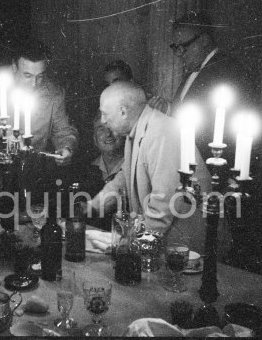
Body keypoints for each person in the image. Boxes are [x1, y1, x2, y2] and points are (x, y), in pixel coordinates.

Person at [86, 81, 212, 252]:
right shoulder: (138, 129)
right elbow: (124, 177)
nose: (103, 121)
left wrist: (130, 246)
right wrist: (93, 206)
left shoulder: (161, 132)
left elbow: (164, 202)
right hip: (171, 236)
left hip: (187, 242)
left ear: (123, 111)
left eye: (105, 114)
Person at [151, 11, 256, 161]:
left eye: (184, 46)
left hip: (210, 162)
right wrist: (168, 110)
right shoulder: (195, 68)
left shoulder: (227, 70)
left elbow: (226, 126)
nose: (179, 54)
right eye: (176, 48)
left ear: (204, 40)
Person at [0, 39, 78, 166]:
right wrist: (4, 134)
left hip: (31, 167)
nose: (34, 84)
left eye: (39, 76)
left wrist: (67, 148)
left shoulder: (54, 93)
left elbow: (63, 130)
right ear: (14, 66)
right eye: (27, 76)